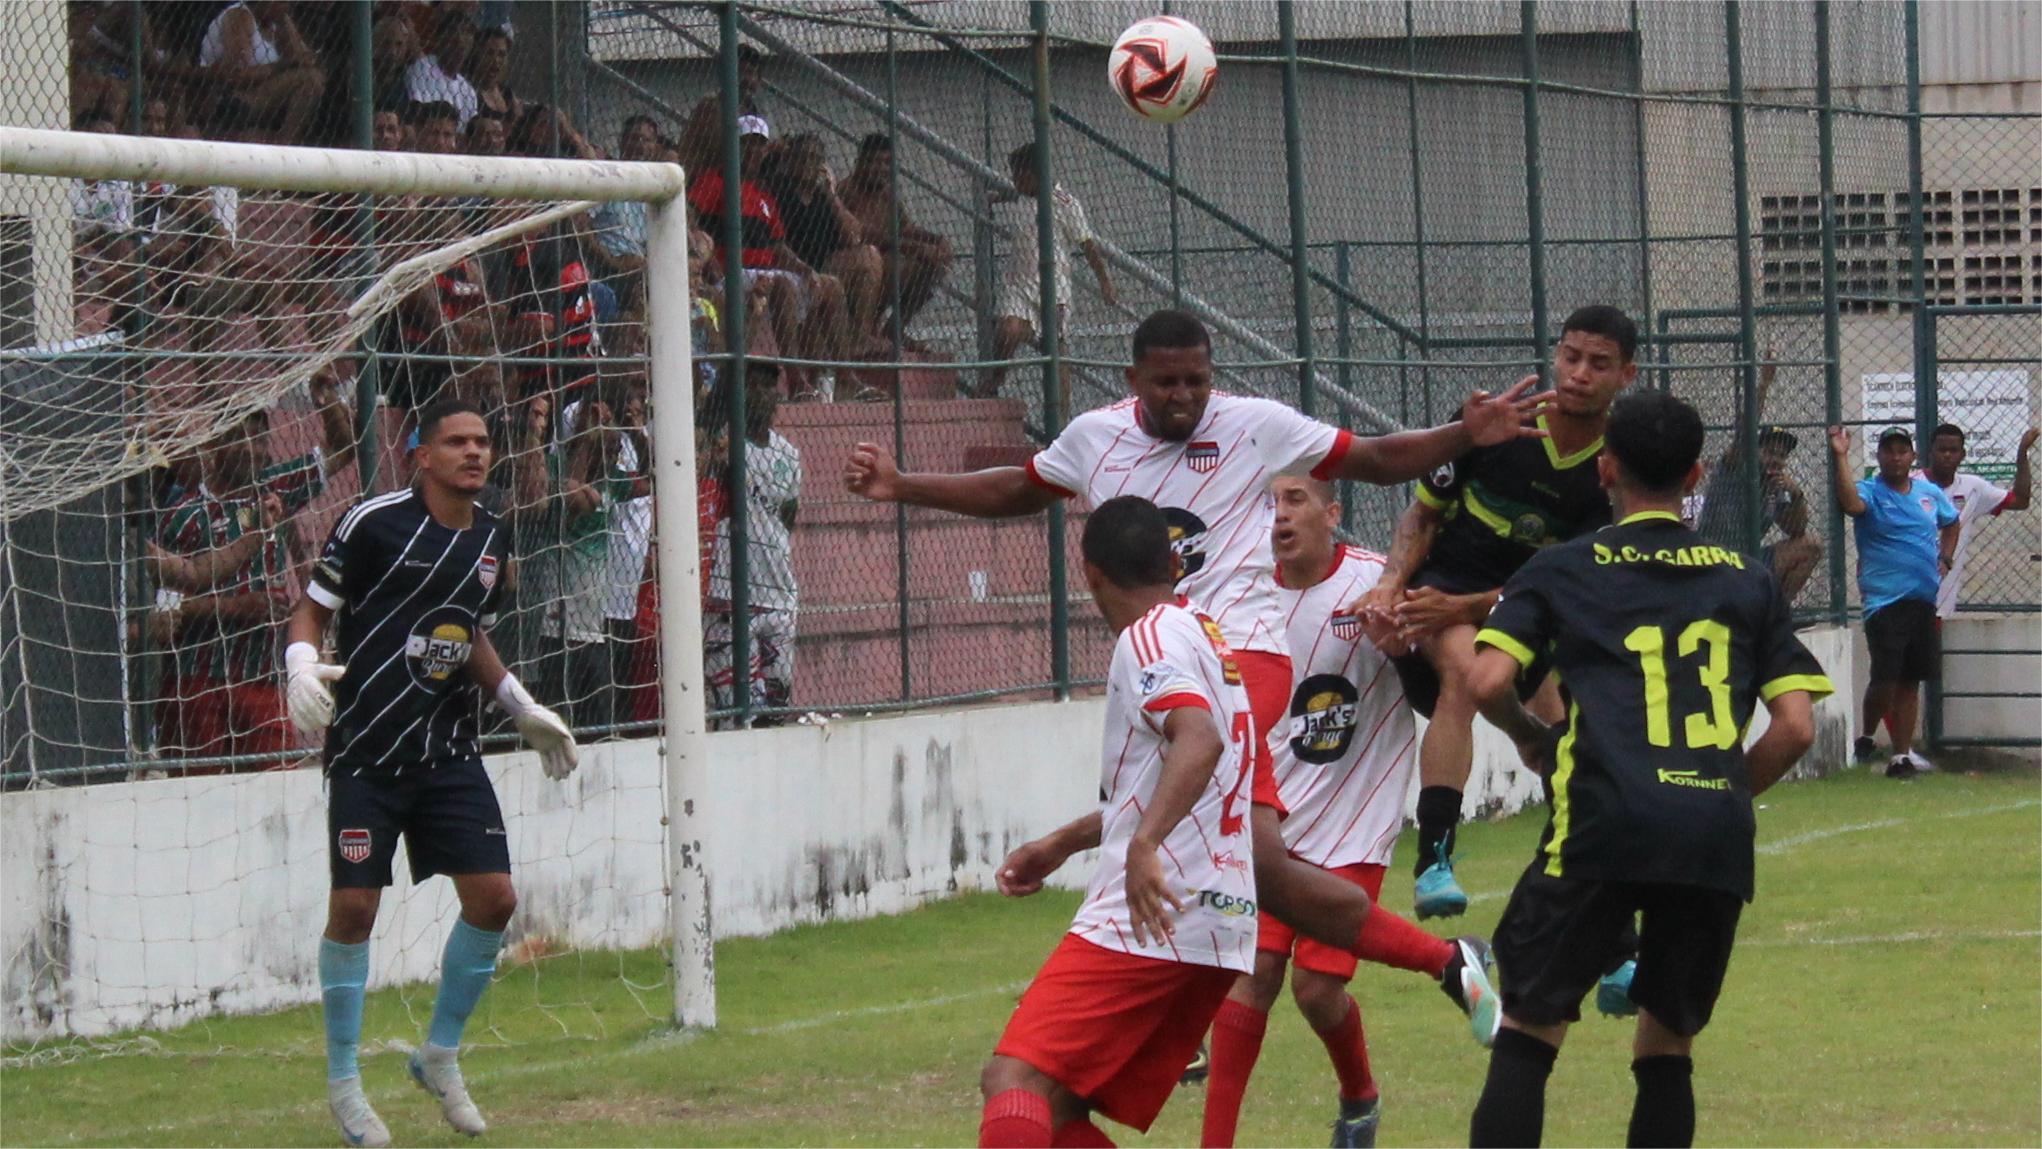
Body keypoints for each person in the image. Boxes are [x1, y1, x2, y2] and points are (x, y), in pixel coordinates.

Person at [856, 309, 1521, 1061]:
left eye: (1197, 381)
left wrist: (1462, 435)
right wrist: (903, 484)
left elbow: (1372, 455)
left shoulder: (1253, 425)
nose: (1184, 396)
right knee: (1262, 865)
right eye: (1167, 382)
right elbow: (1018, 486)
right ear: (1134, 378)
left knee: (1186, 795)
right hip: (1163, 659)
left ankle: (1168, 998)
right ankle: (1446, 962)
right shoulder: (1095, 437)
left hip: (1242, 660)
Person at [1463, 389, 1832, 1148]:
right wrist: (1721, 789)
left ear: (1605, 469)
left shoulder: (1561, 568)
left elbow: (1486, 680)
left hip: (1601, 818)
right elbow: (1796, 725)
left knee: (1529, 1031)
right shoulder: (1746, 577)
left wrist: (1532, 736)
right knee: (1667, 1047)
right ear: (1696, 474)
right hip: (1708, 835)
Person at [284, 398, 578, 1149]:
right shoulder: (372, 522)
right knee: (353, 910)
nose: (474, 453)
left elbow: (465, 626)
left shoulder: (491, 532)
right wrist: (299, 665)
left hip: (447, 750)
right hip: (367, 752)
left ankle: (439, 1053)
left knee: (496, 898)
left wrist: (517, 703)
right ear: (421, 454)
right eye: (457, 442)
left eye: (482, 442)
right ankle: (345, 1082)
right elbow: (312, 610)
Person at [1200, 476, 1499, 1149]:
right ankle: (1357, 1088)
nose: (1279, 514)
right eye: (1267, 500)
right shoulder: (1238, 596)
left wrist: (1399, 645)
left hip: (1353, 818)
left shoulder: (1378, 586)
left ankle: (1367, 1088)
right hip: (1275, 820)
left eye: (1296, 498)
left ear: (1333, 513)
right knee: (1255, 982)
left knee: (1312, 987)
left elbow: (1440, 688)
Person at [977, 495, 1260, 1148]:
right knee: (1059, 1106)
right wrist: (1062, 842)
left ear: (1091, 572)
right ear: (1172, 561)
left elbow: (1198, 739)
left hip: (1156, 908)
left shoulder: (1148, 638)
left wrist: (1145, 845)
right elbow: (1172, 771)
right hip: (1218, 913)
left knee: (1012, 1078)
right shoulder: (1202, 631)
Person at [1351, 304, 1638, 921]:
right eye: (1570, 356)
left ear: (1627, 375)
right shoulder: (1495, 425)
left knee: (1567, 737)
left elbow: (1572, 578)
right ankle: (1433, 861)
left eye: (1598, 363)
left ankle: (1594, 900)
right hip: (1446, 591)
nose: (1579, 373)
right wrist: (1390, 582)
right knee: (1464, 673)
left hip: (1532, 603)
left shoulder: (1614, 464)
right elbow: (1422, 513)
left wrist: (1476, 605)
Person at [154, 375, 358, 772]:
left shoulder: (273, 489)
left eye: (261, 439)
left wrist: (325, 394)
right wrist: (237, 607)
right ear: (214, 445)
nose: (254, 449)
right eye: (241, 438)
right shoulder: (183, 517)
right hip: (197, 680)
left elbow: (345, 448)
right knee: (198, 794)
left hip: (262, 678)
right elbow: (165, 611)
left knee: (276, 785)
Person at [689, 116, 857, 397]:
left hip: (763, 273)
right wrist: (707, 259)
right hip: (730, 276)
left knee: (832, 287)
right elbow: (689, 216)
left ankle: (846, 377)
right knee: (782, 285)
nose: (753, 153)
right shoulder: (714, 180)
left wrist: (804, 269)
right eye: (746, 145)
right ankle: (794, 378)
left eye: (759, 146)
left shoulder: (763, 194)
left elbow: (777, 246)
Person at [1831, 426, 1958, 778]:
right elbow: (1851, 503)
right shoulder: (1871, 491)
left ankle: (1901, 755)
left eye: (1903, 451)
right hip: (1885, 601)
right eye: (1889, 451)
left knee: (1911, 679)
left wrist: (1945, 558)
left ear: (1912, 456)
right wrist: (1841, 455)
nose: (1896, 457)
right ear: (1880, 456)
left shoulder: (1928, 493)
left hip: (1922, 598)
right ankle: (1868, 735)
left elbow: (1951, 521)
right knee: (1885, 676)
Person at [978, 142, 1118, 400]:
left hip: (1053, 288)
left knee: (1055, 353)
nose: (1014, 180)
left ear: (1034, 174)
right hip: (1018, 284)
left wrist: (1104, 281)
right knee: (1007, 329)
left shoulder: (1065, 204)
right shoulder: (1021, 196)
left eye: (1018, 175)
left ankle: (1060, 419)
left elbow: (1087, 244)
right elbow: (1013, 196)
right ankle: (996, 378)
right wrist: (996, 198)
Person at [707, 363, 802, 724]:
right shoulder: (725, 443)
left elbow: (788, 517)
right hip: (732, 592)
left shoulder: (788, 454)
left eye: (768, 385)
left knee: (776, 706)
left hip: (779, 592)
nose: (761, 393)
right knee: (736, 710)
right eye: (752, 385)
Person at [1692, 353, 1823, 605]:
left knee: (1811, 546)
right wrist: (1764, 382)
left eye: (1781, 455)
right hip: (1715, 559)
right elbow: (1744, 431)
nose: (1776, 459)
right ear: (1754, 449)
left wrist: (1796, 496)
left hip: (1749, 559)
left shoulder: (1776, 485)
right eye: (1770, 451)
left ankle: (1777, 616)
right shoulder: (1735, 469)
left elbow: (1796, 530)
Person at [768, 132, 888, 354]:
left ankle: (860, 337)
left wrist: (832, 195)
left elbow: (853, 236)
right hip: (790, 266)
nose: (807, 163)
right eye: (801, 157)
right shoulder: (778, 189)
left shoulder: (822, 196)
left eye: (814, 158)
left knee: (869, 256)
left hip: (823, 264)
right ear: (790, 160)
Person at [840, 132, 954, 347]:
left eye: (886, 163)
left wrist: (937, 240)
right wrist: (913, 247)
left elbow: (906, 228)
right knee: (889, 261)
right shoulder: (846, 191)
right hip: (855, 273)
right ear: (860, 163)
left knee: (933, 264)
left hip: (883, 267)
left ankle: (895, 328)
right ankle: (862, 332)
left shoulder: (887, 193)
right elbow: (861, 233)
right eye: (873, 162)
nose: (880, 168)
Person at [1919, 422, 2036, 619]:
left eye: (1953, 450)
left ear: (1963, 455)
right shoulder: (1911, 484)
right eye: (1942, 450)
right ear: (1930, 452)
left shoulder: (1973, 487)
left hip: (1943, 599)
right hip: (1909, 591)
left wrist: (2022, 453)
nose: (1947, 455)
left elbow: (2020, 500)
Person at [197, 1, 326, 144]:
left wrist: (284, 23)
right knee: (309, 80)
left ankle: (286, 144)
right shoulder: (239, 16)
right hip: (234, 94)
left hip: (264, 91)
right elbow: (237, 75)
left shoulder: (276, 21)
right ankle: (285, 144)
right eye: (283, 2)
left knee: (312, 76)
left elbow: (304, 60)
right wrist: (286, 65)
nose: (288, 7)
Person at [406, 8, 479, 128]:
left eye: (467, 32)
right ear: (439, 39)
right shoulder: (422, 68)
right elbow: (419, 115)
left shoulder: (468, 90)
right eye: (453, 32)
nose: (460, 39)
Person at [465, 26, 523, 124]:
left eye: (501, 54)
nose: (496, 60)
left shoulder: (507, 93)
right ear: (476, 55)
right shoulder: (469, 91)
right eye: (489, 53)